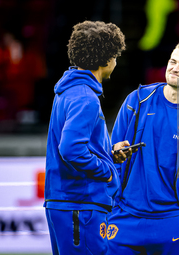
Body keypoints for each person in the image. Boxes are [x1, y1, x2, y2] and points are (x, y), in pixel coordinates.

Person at [108, 42, 179, 254]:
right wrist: (113, 204)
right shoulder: (138, 100)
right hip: (124, 220)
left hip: (172, 224)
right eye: (173, 61)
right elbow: (110, 156)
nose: (175, 68)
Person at [44, 20, 129, 255]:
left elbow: (76, 145)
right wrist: (108, 169)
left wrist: (108, 153)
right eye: (115, 55)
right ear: (106, 59)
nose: (116, 61)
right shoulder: (85, 98)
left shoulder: (68, 91)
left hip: (68, 202)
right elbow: (71, 149)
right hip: (79, 203)